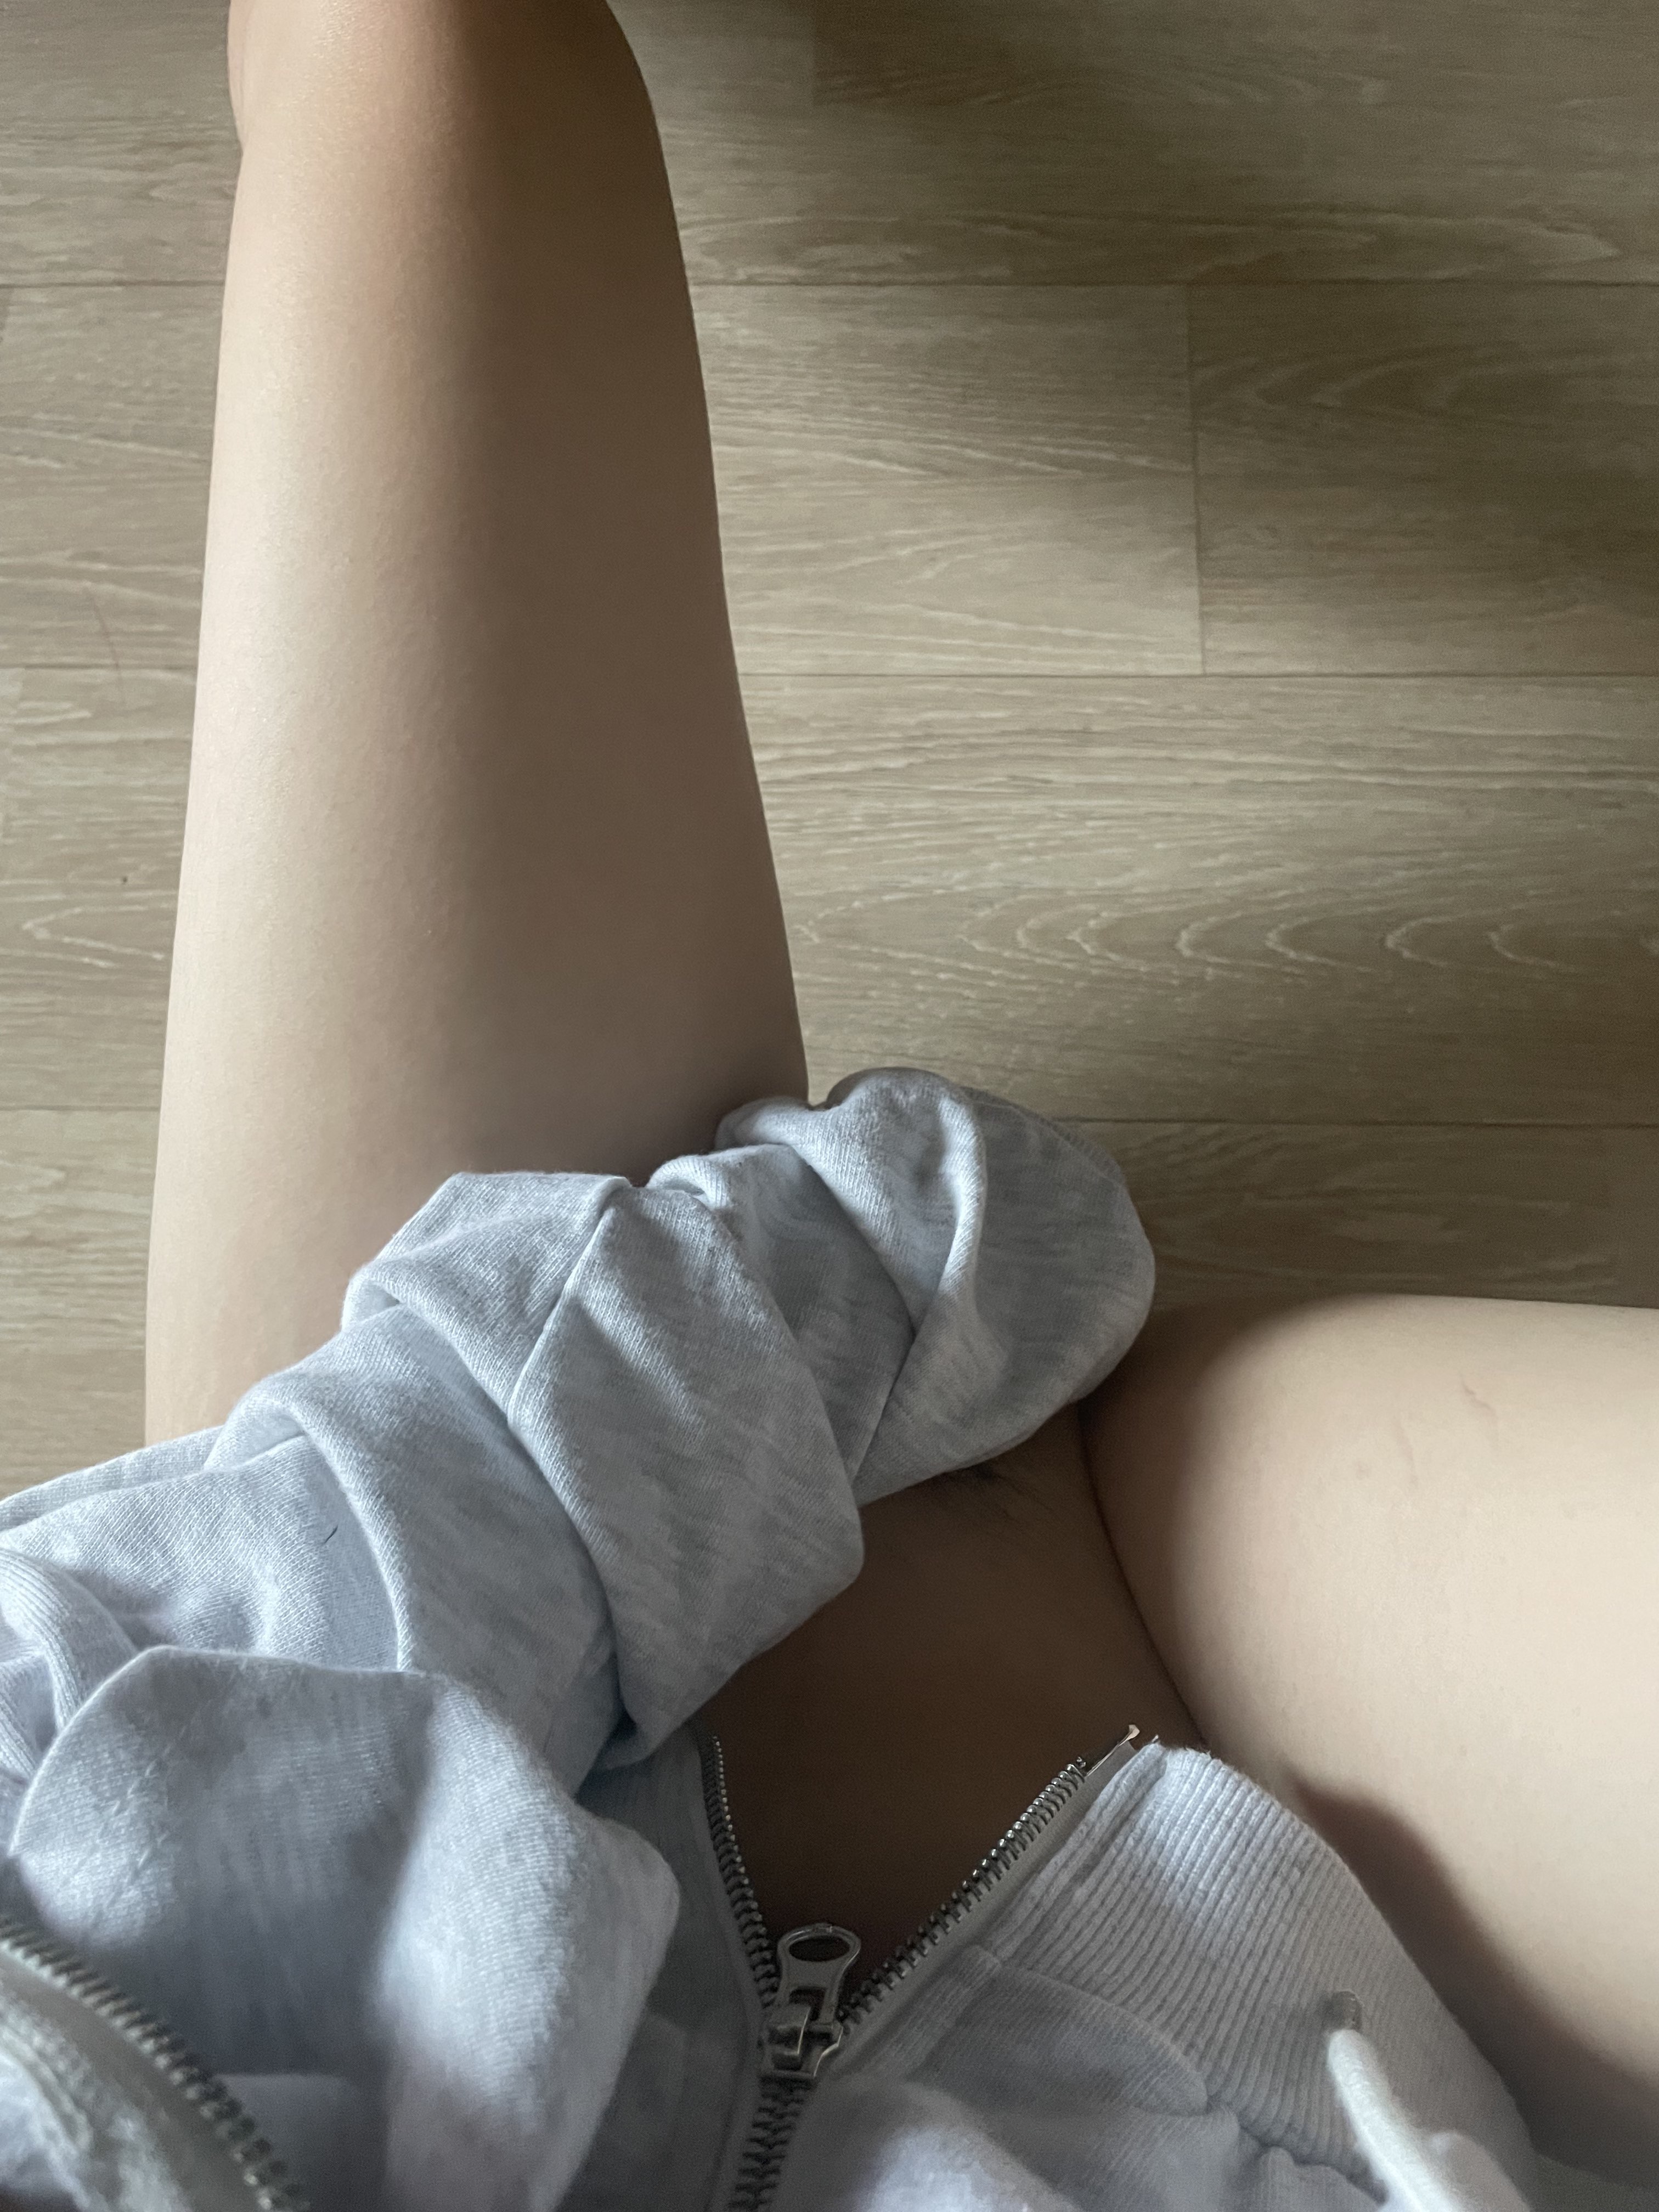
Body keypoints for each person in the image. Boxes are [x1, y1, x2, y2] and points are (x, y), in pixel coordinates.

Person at [0, 1, 1654, 2205]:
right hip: (1313, 1905)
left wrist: (802, 1302)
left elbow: (97, 1694)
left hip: (424, 1650)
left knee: (417, 60)